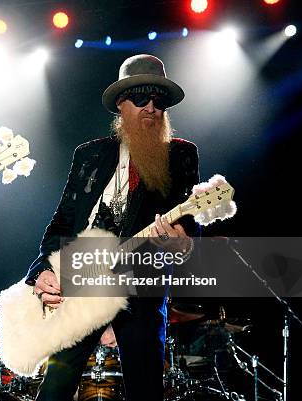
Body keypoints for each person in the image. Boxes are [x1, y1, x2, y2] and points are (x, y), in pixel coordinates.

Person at [25, 54, 199, 401]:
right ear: (122, 104)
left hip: (140, 287)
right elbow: (62, 221)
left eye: (159, 101)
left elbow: (189, 228)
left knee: (145, 389)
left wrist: (183, 242)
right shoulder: (89, 155)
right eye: (141, 98)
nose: (151, 108)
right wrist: (42, 269)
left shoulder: (181, 155)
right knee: (54, 388)